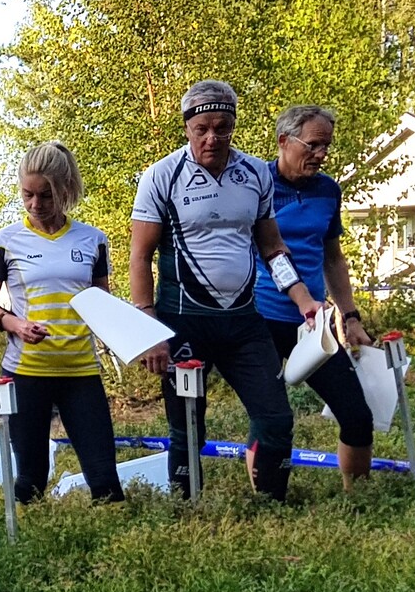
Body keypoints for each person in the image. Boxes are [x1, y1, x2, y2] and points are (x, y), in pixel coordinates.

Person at [131, 80, 321, 500]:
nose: (212, 137)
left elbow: (272, 247)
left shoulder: (254, 173)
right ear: (187, 128)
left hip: (243, 323)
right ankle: (185, 509)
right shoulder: (162, 176)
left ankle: (272, 503)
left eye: (222, 127)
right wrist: (148, 331)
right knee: (187, 423)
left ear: (233, 125)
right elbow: (139, 255)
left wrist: (305, 301)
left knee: (276, 417)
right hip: (182, 323)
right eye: (202, 128)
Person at [0, 142, 123, 503]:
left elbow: (103, 306)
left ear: (66, 189)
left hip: (81, 371)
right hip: (26, 373)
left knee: (105, 482)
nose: (36, 205)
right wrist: (16, 324)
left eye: (46, 195)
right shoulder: (5, 241)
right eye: (28, 195)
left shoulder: (93, 240)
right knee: (30, 483)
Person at [256, 105, 376, 489]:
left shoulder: (329, 190)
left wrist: (351, 317)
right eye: (313, 144)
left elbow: (333, 257)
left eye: (327, 146)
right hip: (261, 316)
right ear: (284, 142)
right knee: (269, 417)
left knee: (357, 414)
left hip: (314, 323)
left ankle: (357, 498)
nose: (321, 154)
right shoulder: (257, 183)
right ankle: (265, 502)